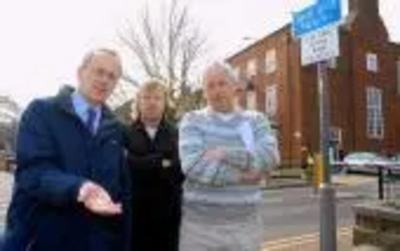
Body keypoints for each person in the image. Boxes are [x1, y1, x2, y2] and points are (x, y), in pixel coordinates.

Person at [2, 48, 131, 251]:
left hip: (97, 242)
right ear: (80, 73)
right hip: (43, 238)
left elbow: (121, 189)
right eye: (99, 71)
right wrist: (79, 188)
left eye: (112, 76)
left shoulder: (116, 129)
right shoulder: (41, 112)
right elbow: (32, 172)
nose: (105, 80)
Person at [178, 62, 280, 251]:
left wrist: (223, 154)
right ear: (204, 92)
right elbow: (193, 166)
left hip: (245, 229)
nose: (216, 91)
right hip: (199, 230)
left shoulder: (256, 120)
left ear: (234, 87)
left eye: (222, 83)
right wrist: (243, 176)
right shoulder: (192, 120)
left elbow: (269, 156)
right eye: (210, 86)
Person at [124, 80, 184, 251]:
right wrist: (161, 161)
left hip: (169, 218)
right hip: (137, 218)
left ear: (165, 103)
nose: (152, 102)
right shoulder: (126, 133)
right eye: (146, 97)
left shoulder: (176, 133)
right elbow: (125, 166)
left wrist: (138, 161)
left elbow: (179, 170)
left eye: (157, 98)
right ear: (138, 102)